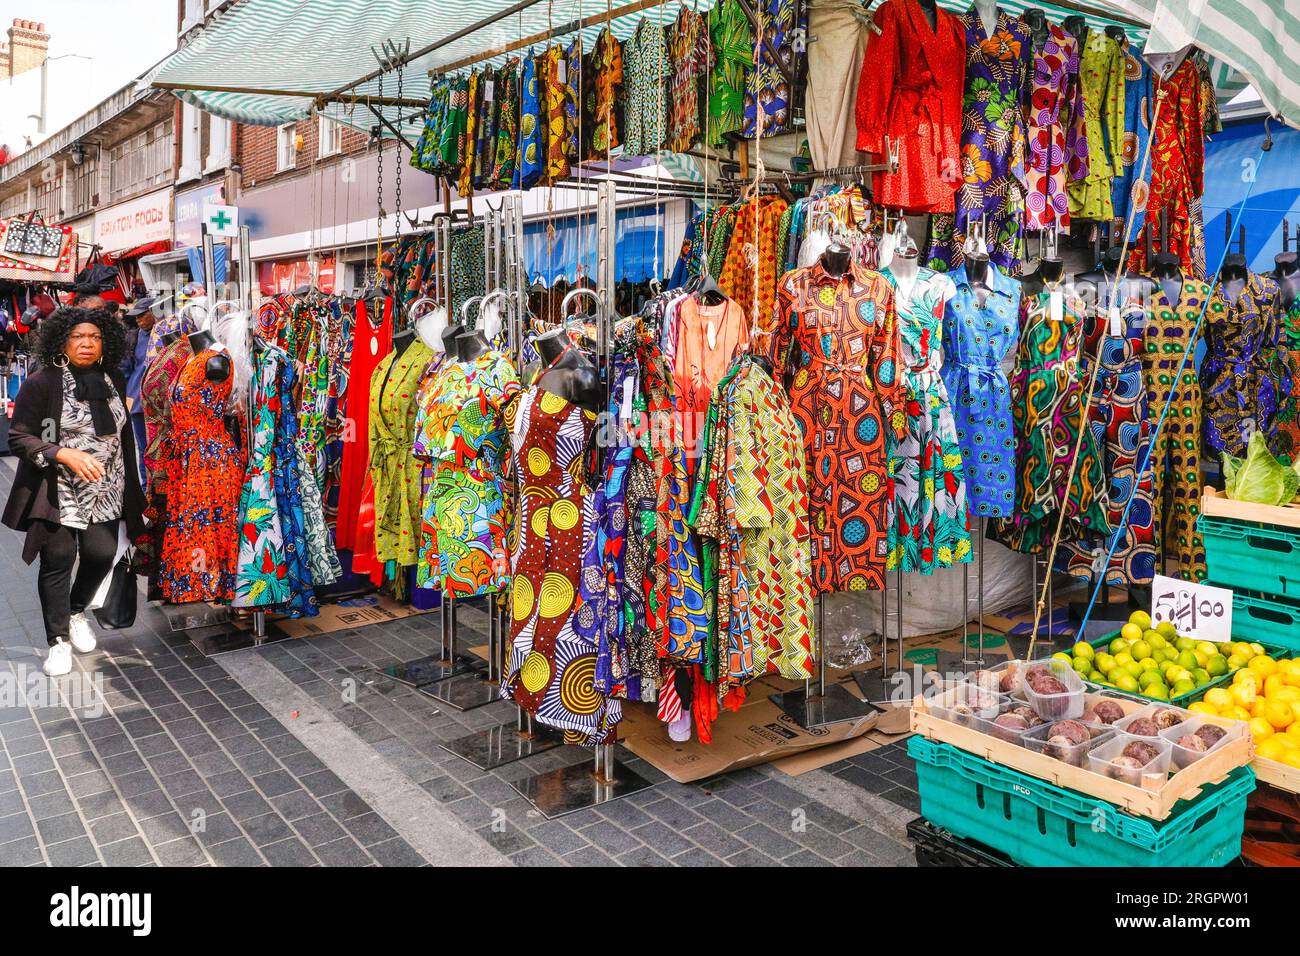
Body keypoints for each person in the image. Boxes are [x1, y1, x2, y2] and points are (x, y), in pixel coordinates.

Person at [2, 306, 145, 676]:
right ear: (63, 340)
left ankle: (76, 610)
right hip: (58, 491)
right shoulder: (44, 382)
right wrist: (60, 452)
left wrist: (135, 482)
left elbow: (122, 435)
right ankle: (57, 642)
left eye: (94, 337)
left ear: (105, 343)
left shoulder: (111, 376)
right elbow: (22, 436)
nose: (86, 343)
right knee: (58, 562)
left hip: (108, 489)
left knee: (101, 555)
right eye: (78, 336)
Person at [119, 296, 159, 485]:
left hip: (160, 403)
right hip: (137, 402)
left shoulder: (165, 333)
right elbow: (125, 371)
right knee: (144, 449)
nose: (138, 320)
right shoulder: (133, 337)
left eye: (142, 316)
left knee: (161, 448)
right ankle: (146, 489)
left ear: (154, 312)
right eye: (136, 317)